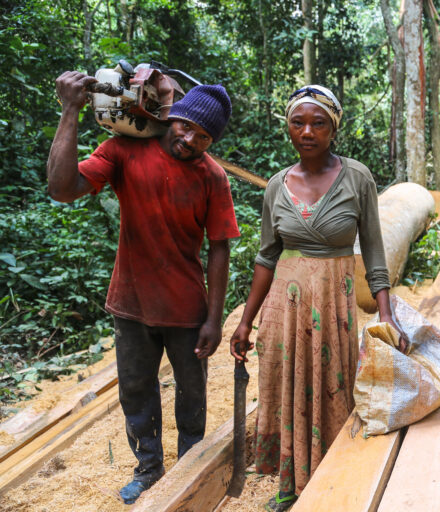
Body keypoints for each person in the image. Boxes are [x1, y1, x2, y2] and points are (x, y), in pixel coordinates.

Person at [47, 71, 240, 504]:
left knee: (192, 395)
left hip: (187, 310)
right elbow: (62, 189)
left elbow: (219, 249)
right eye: (186, 126)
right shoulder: (124, 150)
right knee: (136, 390)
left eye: (204, 137)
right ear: (173, 116)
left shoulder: (212, 177)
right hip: (131, 305)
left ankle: (189, 470)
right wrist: (70, 110)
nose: (190, 140)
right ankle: (149, 469)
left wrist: (214, 320)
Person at [229, 85, 406, 512]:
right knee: (288, 389)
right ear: (288, 128)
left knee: (333, 388)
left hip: (334, 306)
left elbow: (375, 251)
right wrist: (244, 321)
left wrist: (387, 314)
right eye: (298, 122)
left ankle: (333, 482)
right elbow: (266, 257)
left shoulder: (358, 178)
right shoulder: (276, 185)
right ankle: (290, 487)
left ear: (333, 128)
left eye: (318, 123)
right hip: (284, 309)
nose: (307, 131)